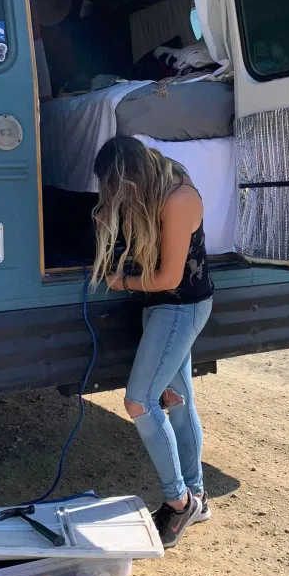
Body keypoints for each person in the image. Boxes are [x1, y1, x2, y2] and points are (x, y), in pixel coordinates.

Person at [91, 136, 214, 548]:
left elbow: (168, 279)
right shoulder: (157, 182)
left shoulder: (178, 198)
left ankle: (179, 503)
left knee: (140, 402)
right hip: (162, 307)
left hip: (179, 307)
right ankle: (197, 495)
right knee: (178, 402)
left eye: (116, 186)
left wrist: (119, 281)